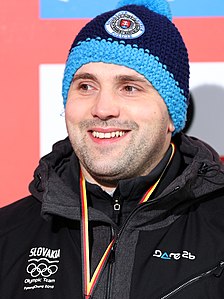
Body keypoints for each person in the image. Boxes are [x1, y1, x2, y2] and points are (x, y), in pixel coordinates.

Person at [1, 0, 224, 298]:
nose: (103, 109)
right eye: (85, 86)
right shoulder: (8, 234)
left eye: (129, 87)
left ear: (172, 115)